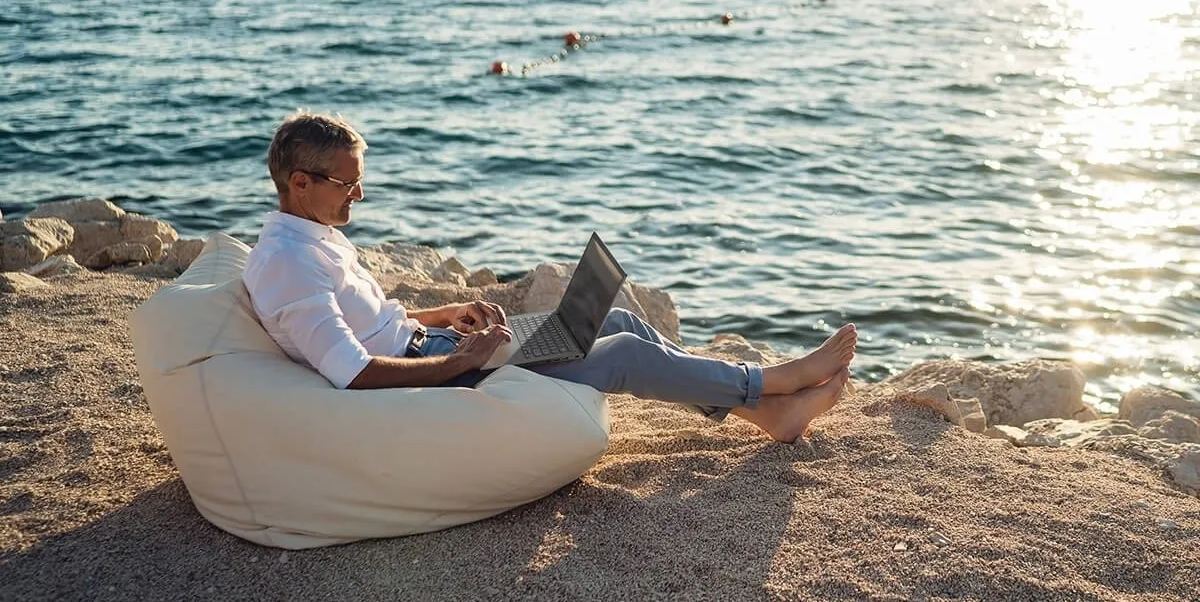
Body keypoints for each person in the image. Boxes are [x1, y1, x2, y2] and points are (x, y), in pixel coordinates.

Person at [243, 111, 858, 443]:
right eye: (349, 185)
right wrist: (467, 359)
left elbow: (373, 326)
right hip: (442, 379)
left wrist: (445, 317)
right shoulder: (289, 266)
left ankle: (768, 415)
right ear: (300, 183)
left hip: (439, 348)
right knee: (622, 355)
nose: (360, 196)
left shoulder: (313, 237)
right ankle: (775, 381)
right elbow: (354, 374)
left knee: (613, 317)